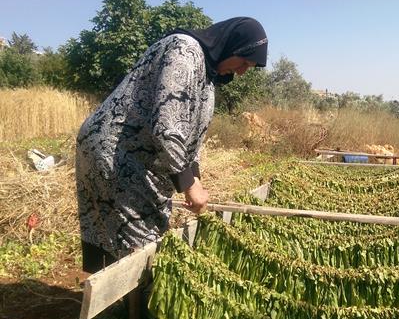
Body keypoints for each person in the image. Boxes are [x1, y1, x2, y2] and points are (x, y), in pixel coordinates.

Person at [75, 17, 268, 273]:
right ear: (232, 45)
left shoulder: (207, 75)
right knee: (138, 236)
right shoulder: (184, 51)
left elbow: (191, 134)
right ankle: (134, 306)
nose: (243, 71)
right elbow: (168, 127)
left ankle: (126, 303)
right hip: (115, 151)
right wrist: (187, 185)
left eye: (249, 67)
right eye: (243, 62)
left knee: (147, 229)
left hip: (140, 154)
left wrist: (194, 176)